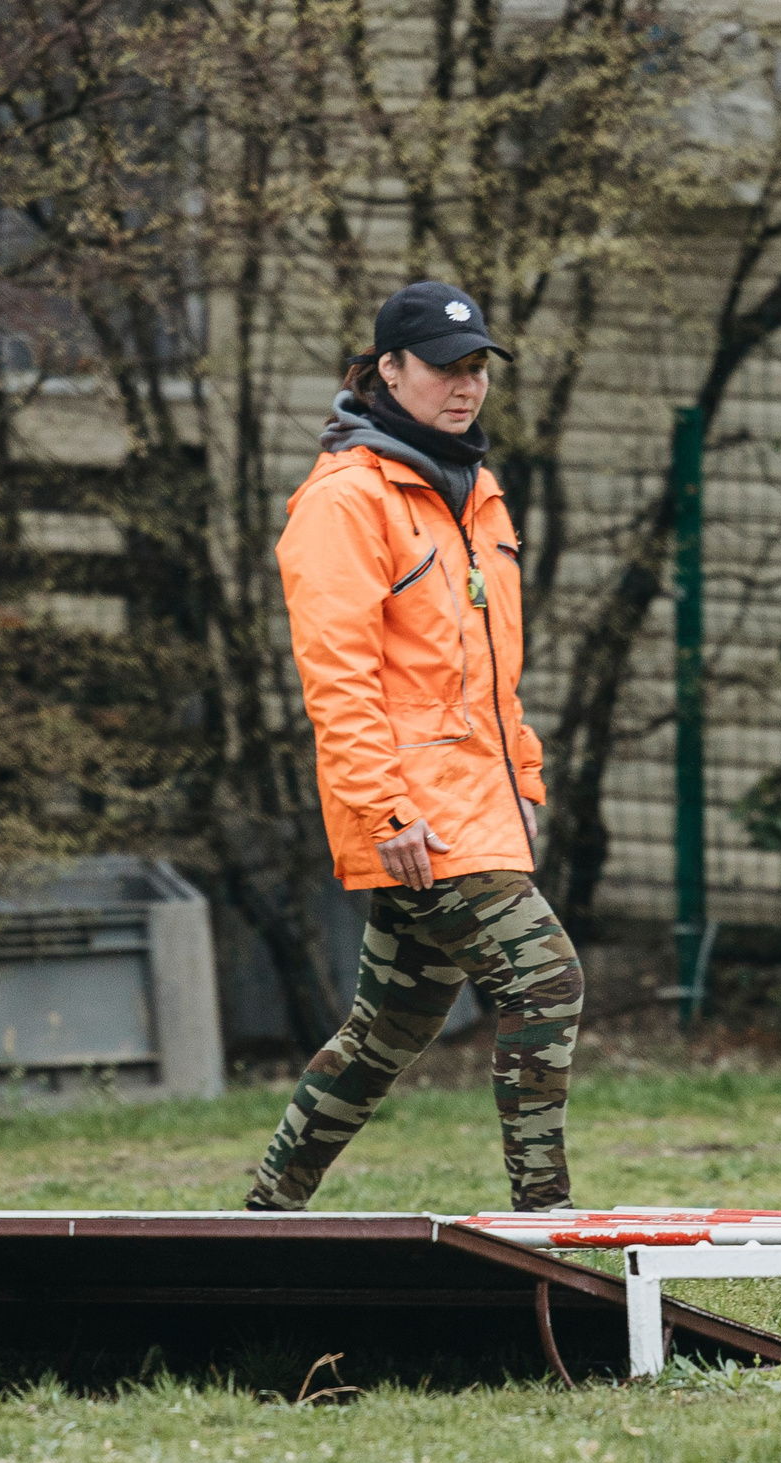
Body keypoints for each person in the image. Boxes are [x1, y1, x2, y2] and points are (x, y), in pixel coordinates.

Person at [244, 281, 584, 1214]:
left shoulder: (471, 490)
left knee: (387, 1028)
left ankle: (272, 1204)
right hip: (416, 815)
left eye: (476, 366)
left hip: (478, 803)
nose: (464, 385)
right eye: (444, 367)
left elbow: (488, 669)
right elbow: (338, 679)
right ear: (388, 369)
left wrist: (522, 776)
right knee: (547, 979)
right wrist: (383, 807)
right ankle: (544, 1215)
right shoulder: (347, 500)